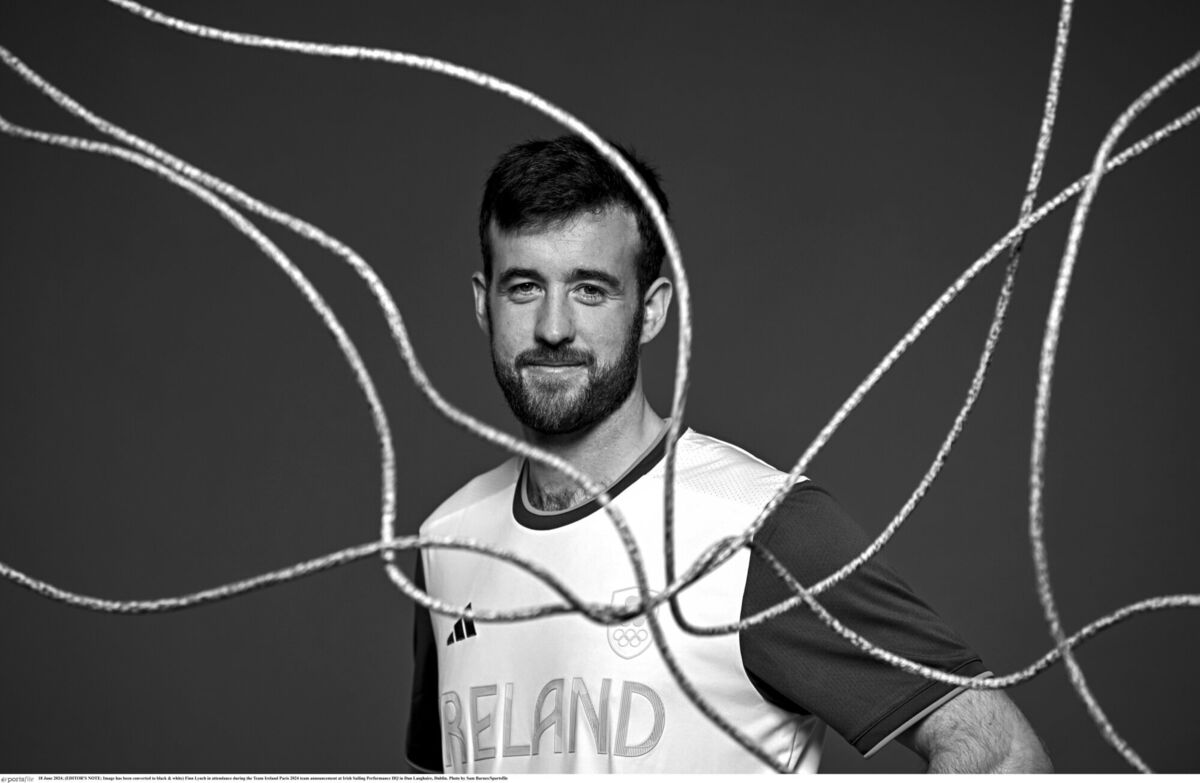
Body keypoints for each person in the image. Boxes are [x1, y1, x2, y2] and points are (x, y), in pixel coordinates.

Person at [404, 135, 1051, 774]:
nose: (552, 327)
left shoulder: (758, 531)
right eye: (523, 287)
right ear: (483, 304)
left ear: (651, 311)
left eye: (591, 289)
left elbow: (1002, 755)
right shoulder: (448, 542)